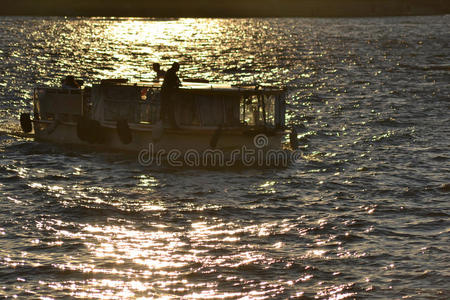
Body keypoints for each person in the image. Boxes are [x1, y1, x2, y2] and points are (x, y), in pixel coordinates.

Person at [160, 62, 181, 128]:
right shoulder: (171, 73)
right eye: (178, 68)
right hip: (166, 94)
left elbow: (177, 81)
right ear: (175, 67)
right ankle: (169, 124)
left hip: (166, 93)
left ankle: (165, 122)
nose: (178, 69)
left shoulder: (171, 72)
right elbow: (175, 82)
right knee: (168, 109)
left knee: (166, 109)